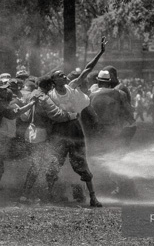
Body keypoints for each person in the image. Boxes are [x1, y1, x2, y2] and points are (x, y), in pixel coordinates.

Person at [46, 37, 107, 207]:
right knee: (54, 163)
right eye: (60, 76)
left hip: (75, 130)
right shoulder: (50, 96)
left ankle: (93, 197)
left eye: (63, 75)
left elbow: (87, 69)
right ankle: (50, 195)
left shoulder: (72, 87)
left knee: (82, 162)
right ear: (54, 81)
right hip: (59, 131)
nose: (64, 76)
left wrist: (100, 52)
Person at [21, 75, 78, 202]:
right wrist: (72, 115)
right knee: (43, 165)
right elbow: (56, 114)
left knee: (40, 164)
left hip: (32, 131)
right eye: (51, 85)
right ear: (48, 86)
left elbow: (26, 116)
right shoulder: (43, 97)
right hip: (40, 134)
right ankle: (33, 195)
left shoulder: (33, 93)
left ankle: (32, 194)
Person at [0, 80, 36, 204]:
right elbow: (12, 114)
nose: (6, 91)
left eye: (6, 89)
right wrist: (31, 104)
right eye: (3, 89)